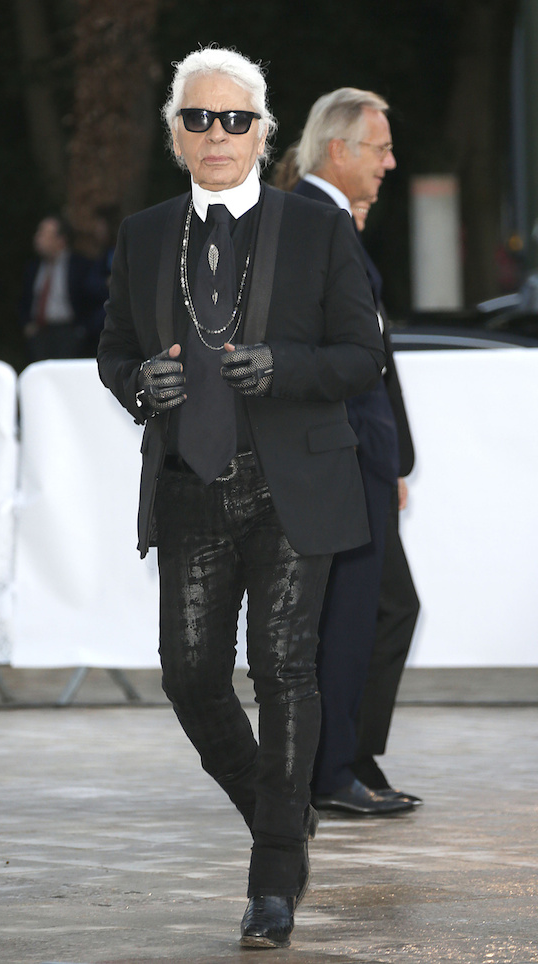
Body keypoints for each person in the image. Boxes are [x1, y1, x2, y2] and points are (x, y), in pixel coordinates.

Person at [98, 47, 385, 949]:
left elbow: (362, 356)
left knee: (283, 672)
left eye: (234, 119)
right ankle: (283, 812)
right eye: (198, 118)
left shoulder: (317, 230)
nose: (216, 134)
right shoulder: (146, 234)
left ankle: (272, 880)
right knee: (190, 678)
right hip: (189, 484)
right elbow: (113, 348)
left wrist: (285, 367)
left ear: (262, 133)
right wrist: (138, 382)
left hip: (293, 485)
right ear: (176, 134)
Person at [293, 88, 421, 816]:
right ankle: (331, 770)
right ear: (338, 150)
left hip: (362, 454)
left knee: (384, 607)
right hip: (342, 455)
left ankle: (350, 757)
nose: (390, 162)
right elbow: (332, 354)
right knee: (347, 615)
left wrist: (394, 458)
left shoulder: (331, 221)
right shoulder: (314, 222)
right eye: (381, 147)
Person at [19, 215, 108, 362]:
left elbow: (95, 299)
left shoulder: (80, 266)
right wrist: (27, 325)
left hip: (69, 333)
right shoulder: (33, 267)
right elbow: (24, 300)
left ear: (60, 240)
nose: (37, 238)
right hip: (40, 334)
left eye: (43, 234)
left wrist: (83, 330)